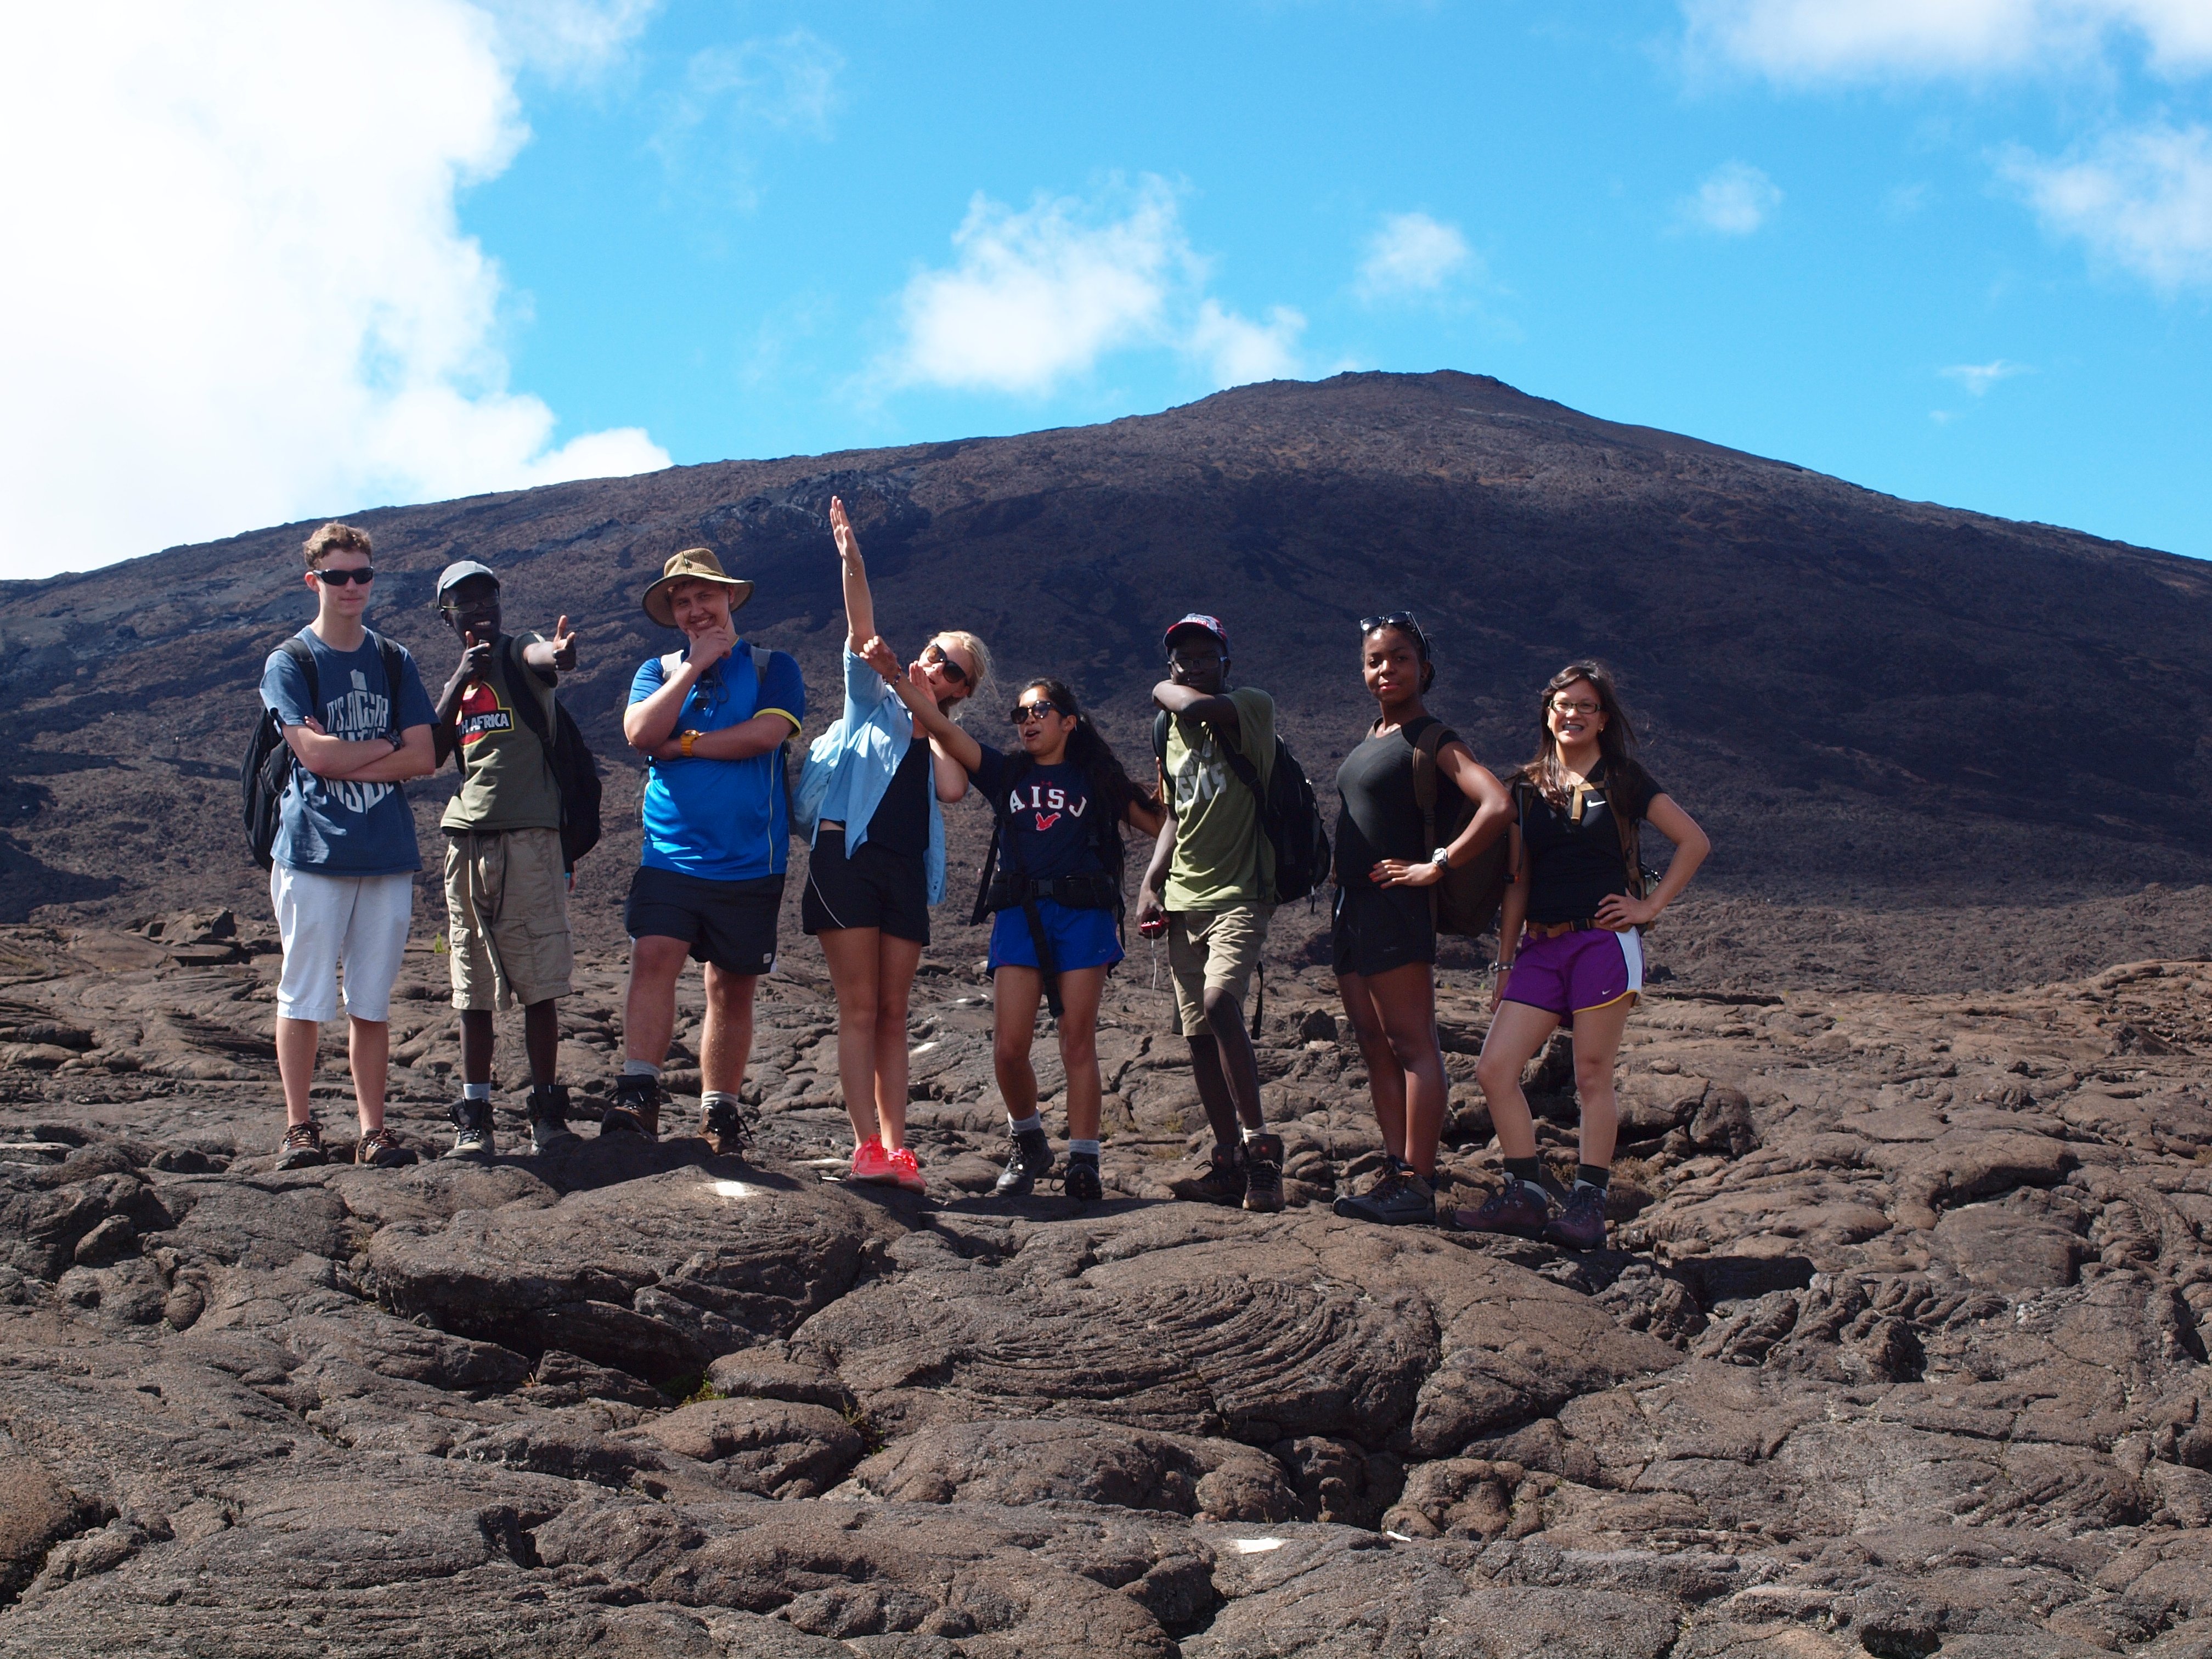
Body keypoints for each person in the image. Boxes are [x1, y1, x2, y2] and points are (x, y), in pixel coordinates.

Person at [881, 665, 1161, 1206]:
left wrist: (1161, 884)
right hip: (1020, 916)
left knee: (1076, 1041)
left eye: (1039, 712)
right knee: (1010, 1047)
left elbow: (1167, 826)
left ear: (1069, 723)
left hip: (1083, 915)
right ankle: (1028, 1139)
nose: (1027, 721)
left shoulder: (1098, 782)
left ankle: (1085, 1160)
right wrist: (895, 677)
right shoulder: (1006, 773)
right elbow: (942, 728)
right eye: (1020, 714)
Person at [1456, 661, 1709, 1250]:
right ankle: (1525, 1195)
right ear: (1548, 713)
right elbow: (1517, 880)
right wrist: (1505, 961)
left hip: (1601, 942)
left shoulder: (1623, 778)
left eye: (1586, 706)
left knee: (1592, 1076)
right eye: (1563, 705)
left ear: (1603, 719)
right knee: (1495, 1068)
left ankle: (1589, 1206)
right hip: (1540, 948)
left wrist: (1649, 908)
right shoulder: (1525, 786)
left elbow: (1694, 840)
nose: (1573, 714)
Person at [804, 495, 990, 1194]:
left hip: (904, 874)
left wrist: (929, 711)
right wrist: (852, 561)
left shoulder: (938, 729)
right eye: (937, 656)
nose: (938, 670)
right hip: (846, 861)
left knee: (892, 1011)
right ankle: (864, 1150)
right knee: (857, 1006)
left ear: (962, 691)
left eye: (954, 673)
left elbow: (951, 789)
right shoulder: (869, 699)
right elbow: (861, 627)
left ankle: (896, 1147)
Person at [612, 548, 804, 1149]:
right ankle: (639, 1093)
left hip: (751, 858)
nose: (695, 609)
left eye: (705, 596)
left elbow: (766, 735)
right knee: (654, 956)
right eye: (682, 601)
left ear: (729, 598)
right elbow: (642, 733)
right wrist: (692, 669)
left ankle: (719, 1110)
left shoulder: (775, 666)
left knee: (732, 984)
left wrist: (686, 743)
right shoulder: (656, 671)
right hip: (671, 853)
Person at [260, 521, 437, 1170]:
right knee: (303, 992)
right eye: (338, 576)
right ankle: (300, 1127)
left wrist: (349, 759)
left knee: (370, 1000)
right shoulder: (291, 662)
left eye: (363, 574)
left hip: (385, 853)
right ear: (314, 581)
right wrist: (385, 746)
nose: (352, 587)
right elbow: (310, 753)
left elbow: (424, 757)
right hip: (313, 851)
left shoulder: (394, 659)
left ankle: (372, 1130)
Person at [1329, 614, 1512, 1225]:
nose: (1387, 670)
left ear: (1424, 669)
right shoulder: (1372, 736)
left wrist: (1437, 865)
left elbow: (1497, 804)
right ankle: (1396, 1170)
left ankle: (1419, 1179)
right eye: (1376, 661)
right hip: (1353, 906)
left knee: (1412, 1043)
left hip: (1395, 907)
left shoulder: (1434, 738)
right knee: (1374, 1043)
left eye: (1400, 659)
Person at [427, 560, 582, 1159]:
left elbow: (551, 661)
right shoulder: (460, 678)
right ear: (448, 615)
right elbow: (433, 750)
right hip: (466, 842)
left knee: (539, 980)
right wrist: (458, 681)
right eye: (465, 601)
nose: (480, 607)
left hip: (531, 840)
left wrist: (562, 655)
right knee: (472, 986)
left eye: (488, 595)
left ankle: (547, 1114)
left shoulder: (521, 653)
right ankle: (475, 1118)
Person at [1133, 614, 1284, 1211]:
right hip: (1183, 899)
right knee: (1198, 1034)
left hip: (1242, 892)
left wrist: (1163, 688)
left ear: (1226, 661)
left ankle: (1262, 1150)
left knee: (1222, 1003)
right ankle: (1228, 1163)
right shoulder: (1162, 731)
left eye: (1204, 656)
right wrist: (1151, 883)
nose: (1192, 666)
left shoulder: (1250, 706)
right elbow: (1174, 812)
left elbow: (1191, 708)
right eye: (1182, 659)